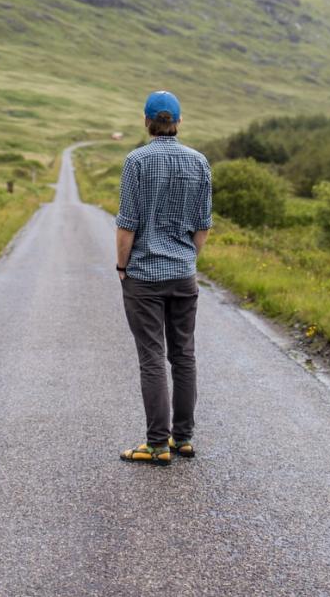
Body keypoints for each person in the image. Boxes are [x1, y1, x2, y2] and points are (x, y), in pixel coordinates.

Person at [115, 90, 212, 466]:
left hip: (144, 276)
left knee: (152, 357)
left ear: (146, 122)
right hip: (183, 273)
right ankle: (182, 438)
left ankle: (157, 444)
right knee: (183, 355)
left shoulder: (136, 161)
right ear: (179, 122)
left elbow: (127, 224)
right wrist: (186, 260)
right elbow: (202, 226)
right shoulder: (199, 162)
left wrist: (122, 267)